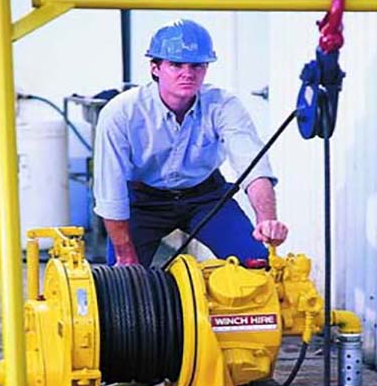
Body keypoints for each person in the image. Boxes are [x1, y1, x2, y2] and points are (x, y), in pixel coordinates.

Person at [93, 18, 288, 268]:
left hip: (205, 197)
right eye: (176, 65)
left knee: (258, 266)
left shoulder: (223, 105)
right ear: (155, 68)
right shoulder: (121, 112)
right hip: (143, 202)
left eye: (197, 65)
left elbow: (253, 165)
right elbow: (110, 190)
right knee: (123, 280)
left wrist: (267, 220)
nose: (188, 73)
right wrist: (125, 255)